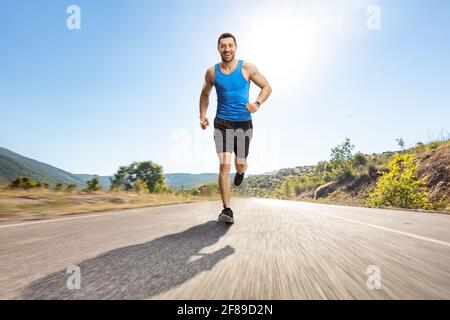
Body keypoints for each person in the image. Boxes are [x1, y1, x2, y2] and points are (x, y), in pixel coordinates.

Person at [199, 32, 272, 223]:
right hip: (222, 122)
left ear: (235, 47)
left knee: (239, 164)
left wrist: (256, 103)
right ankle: (227, 209)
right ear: (218, 48)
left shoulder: (247, 67)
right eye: (223, 46)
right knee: (224, 165)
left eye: (230, 45)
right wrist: (202, 115)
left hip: (243, 123)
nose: (227, 49)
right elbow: (205, 94)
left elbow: (267, 87)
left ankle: (241, 172)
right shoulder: (212, 72)